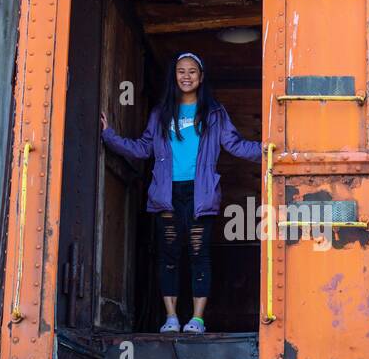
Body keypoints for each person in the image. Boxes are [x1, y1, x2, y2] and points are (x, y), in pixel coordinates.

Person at [101, 52, 262, 334]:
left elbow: (236, 145)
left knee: (199, 255)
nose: (186, 76)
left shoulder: (214, 113)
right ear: (174, 77)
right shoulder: (161, 113)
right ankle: (172, 318)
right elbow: (142, 148)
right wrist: (108, 135)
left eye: (192, 72)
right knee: (169, 256)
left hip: (200, 194)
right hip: (167, 194)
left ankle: (197, 319)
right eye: (180, 71)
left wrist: (269, 150)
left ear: (201, 78)